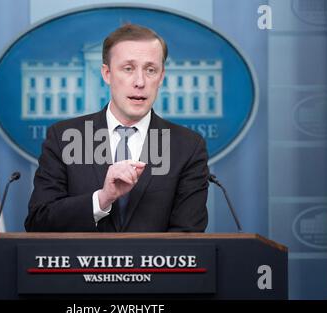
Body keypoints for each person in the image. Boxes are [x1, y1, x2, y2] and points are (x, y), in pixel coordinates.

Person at [25, 23, 209, 232]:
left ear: (161, 77)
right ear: (107, 74)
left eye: (150, 70)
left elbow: (188, 236)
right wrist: (102, 199)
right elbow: (38, 222)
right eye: (128, 68)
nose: (140, 82)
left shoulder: (188, 147)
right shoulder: (63, 137)